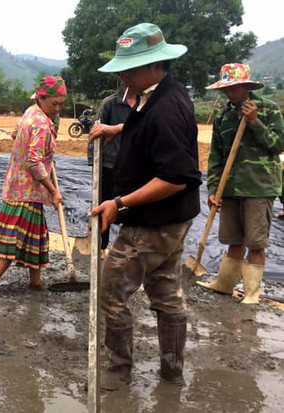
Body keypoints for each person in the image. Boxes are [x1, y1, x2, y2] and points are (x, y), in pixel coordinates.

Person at [90, 23, 202, 389]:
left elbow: (175, 177)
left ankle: (118, 369)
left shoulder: (166, 106)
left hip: (153, 222)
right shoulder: (161, 94)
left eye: (129, 66)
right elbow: (149, 129)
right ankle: (172, 371)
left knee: (111, 290)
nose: (122, 73)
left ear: (155, 65)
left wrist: (119, 202)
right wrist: (117, 130)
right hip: (172, 219)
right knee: (166, 291)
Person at [201, 63, 284, 304]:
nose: (228, 93)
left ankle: (251, 293)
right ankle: (225, 284)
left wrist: (255, 122)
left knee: (256, 243)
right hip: (230, 187)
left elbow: (277, 145)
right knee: (233, 239)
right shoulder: (223, 115)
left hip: (259, 186)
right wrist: (214, 188)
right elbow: (216, 156)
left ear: (245, 86)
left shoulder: (268, 109)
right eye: (225, 89)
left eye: (233, 88)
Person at [0, 75, 65, 295]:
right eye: (54, 103)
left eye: (61, 103)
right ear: (41, 98)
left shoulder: (31, 112)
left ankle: (36, 283)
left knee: (35, 239)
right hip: (26, 191)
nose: (57, 108)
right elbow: (34, 162)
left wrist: (45, 154)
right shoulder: (41, 124)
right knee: (13, 242)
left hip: (18, 188)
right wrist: (54, 191)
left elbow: (15, 133)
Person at [88, 87, 137, 253]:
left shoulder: (146, 104)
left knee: (131, 208)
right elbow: (95, 134)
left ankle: (130, 250)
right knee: (103, 208)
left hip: (134, 168)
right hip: (109, 166)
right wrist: (94, 167)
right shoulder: (110, 104)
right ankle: (100, 248)